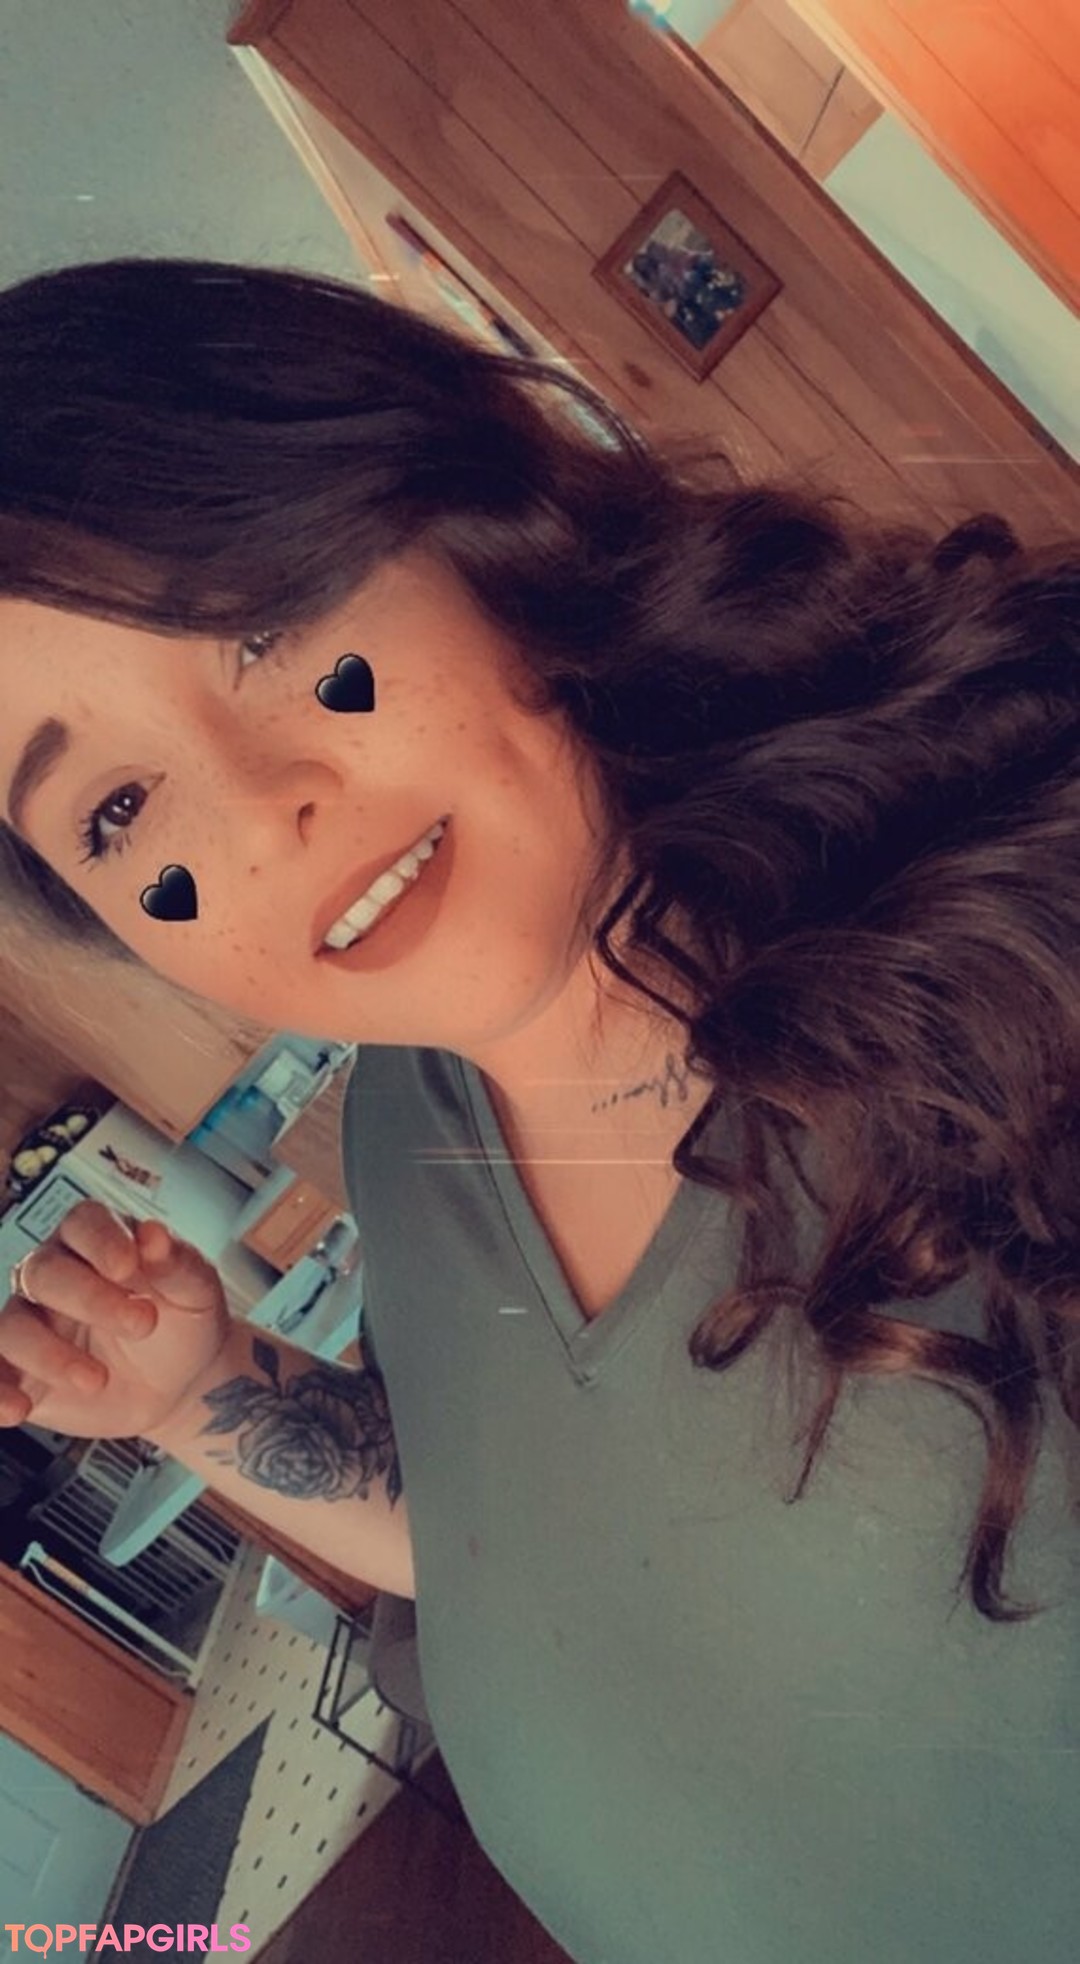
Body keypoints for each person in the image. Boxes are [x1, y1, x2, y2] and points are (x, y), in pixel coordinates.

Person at [0, 256, 1077, 1964]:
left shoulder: (1020, 936)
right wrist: (197, 1395)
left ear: (459, 515)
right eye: (120, 809)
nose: (266, 812)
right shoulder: (403, 1133)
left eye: (266, 627)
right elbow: (509, 1547)